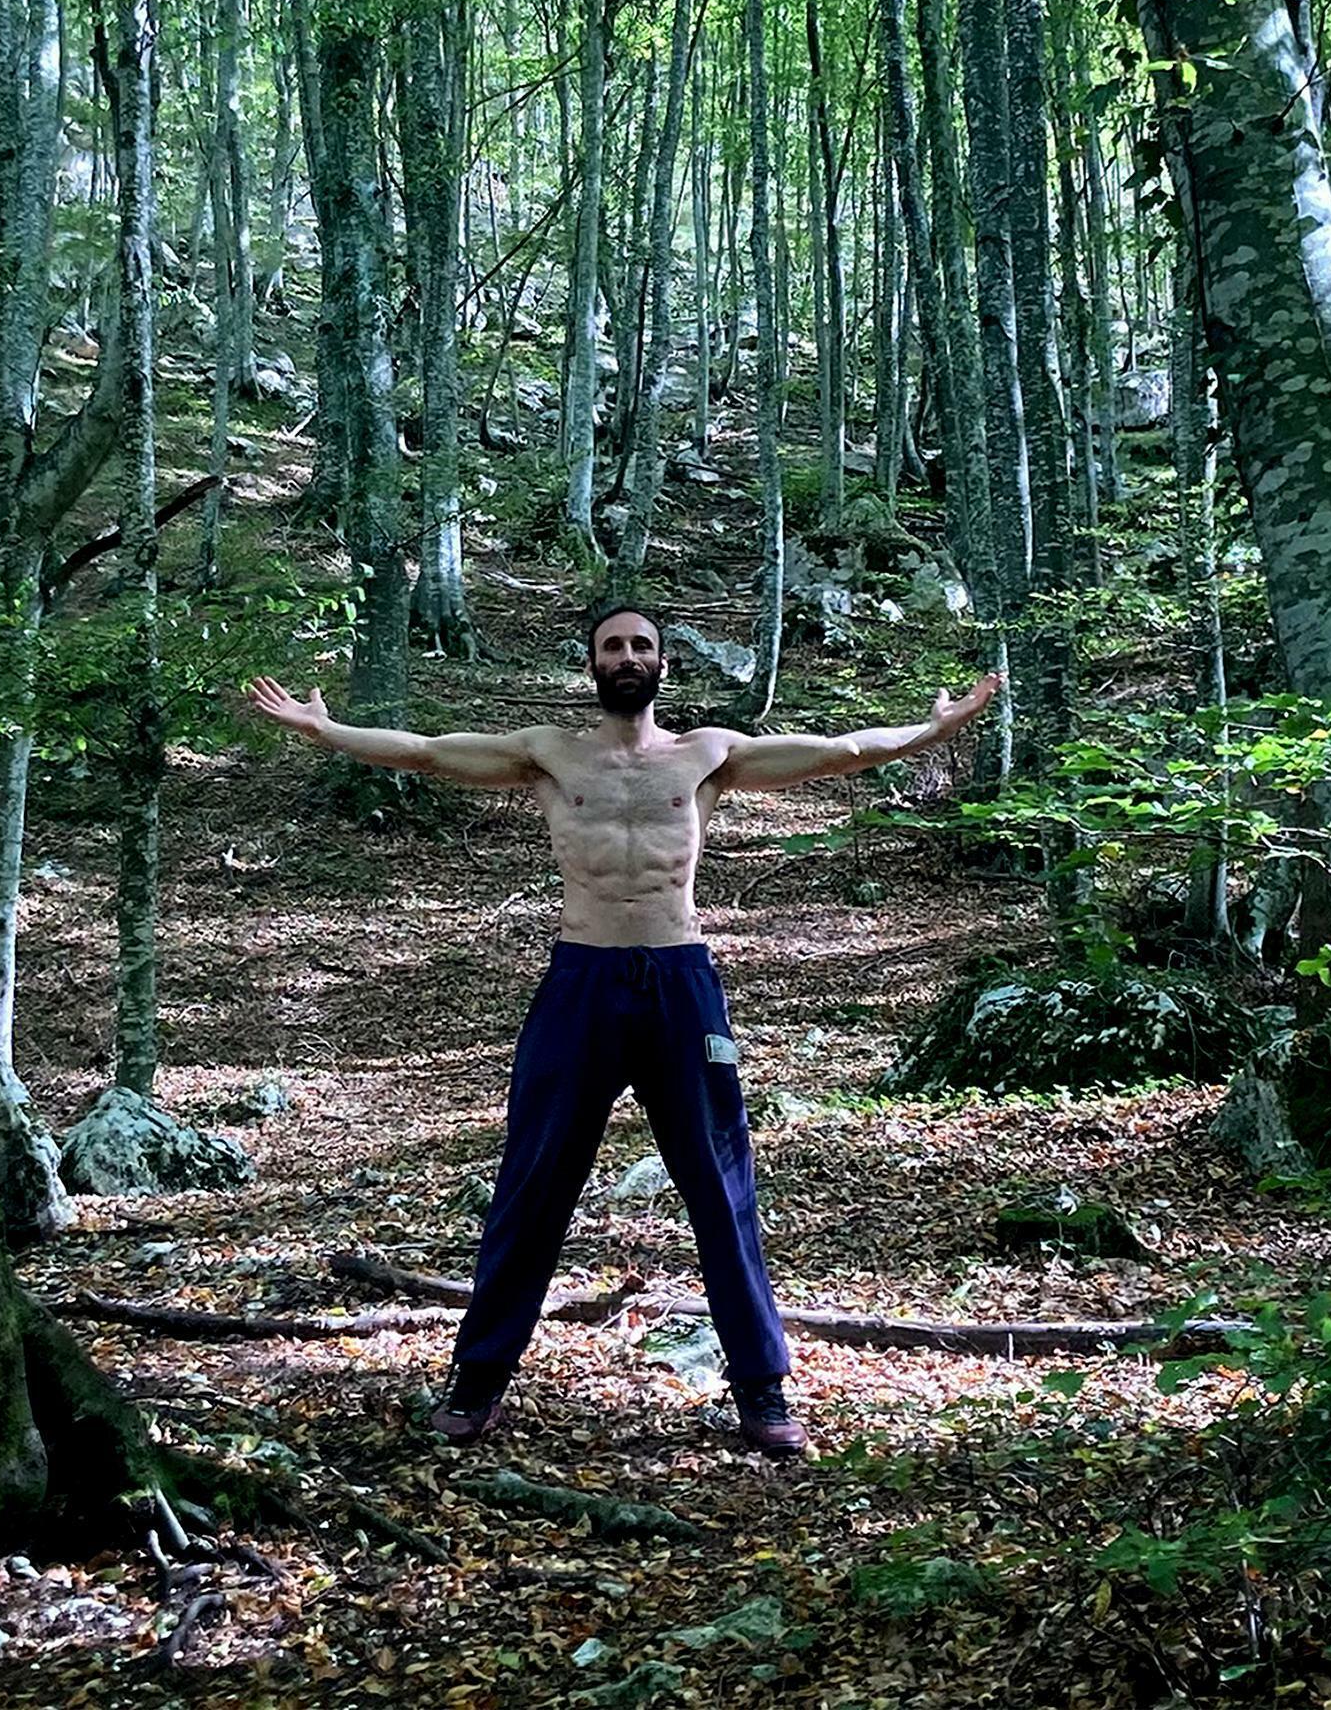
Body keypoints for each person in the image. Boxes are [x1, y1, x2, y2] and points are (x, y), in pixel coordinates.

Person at [245, 598, 1002, 1457]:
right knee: (533, 1182)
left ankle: (761, 1386)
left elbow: (844, 752)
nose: (628, 655)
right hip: (582, 982)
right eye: (614, 645)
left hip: (681, 982)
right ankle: (479, 1377)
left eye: (642, 644)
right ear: (594, 665)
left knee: (721, 1185)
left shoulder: (708, 754)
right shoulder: (550, 754)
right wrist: (326, 729)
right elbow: (423, 751)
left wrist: (932, 730)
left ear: (663, 664)